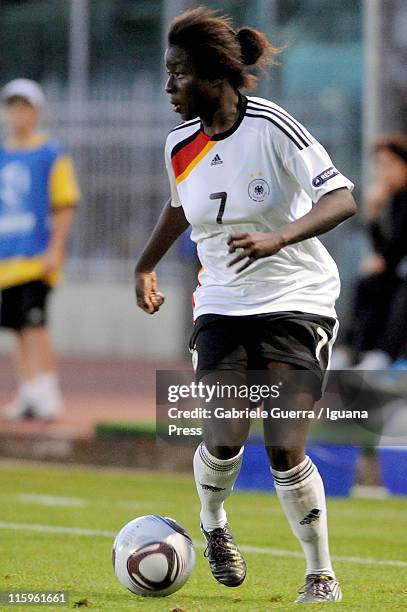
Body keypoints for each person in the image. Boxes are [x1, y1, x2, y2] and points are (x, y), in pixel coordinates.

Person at [135, 8, 356, 604]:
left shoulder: (273, 127)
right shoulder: (179, 145)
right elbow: (181, 207)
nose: (168, 87)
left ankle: (320, 573)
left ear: (212, 75)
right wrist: (145, 263)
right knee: (225, 435)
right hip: (223, 303)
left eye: (178, 73)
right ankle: (212, 524)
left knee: (286, 441)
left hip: (297, 301)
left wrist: (279, 237)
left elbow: (341, 199)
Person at [0, 79, 80, 420]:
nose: (17, 114)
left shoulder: (50, 152)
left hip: (35, 257)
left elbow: (64, 203)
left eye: (24, 107)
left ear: (36, 111)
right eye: (12, 107)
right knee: (17, 328)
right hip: (7, 258)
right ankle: (28, 390)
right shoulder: (2, 154)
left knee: (36, 325)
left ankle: (47, 390)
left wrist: (54, 248)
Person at [333, 134, 407, 369]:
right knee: (367, 285)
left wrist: (383, 259)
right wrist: (374, 214)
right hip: (398, 272)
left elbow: (394, 250)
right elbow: (383, 253)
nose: (383, 172)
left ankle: (385, 353)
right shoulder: (394, 200)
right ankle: (352, 351)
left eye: (389, 164)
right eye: (379, 165)